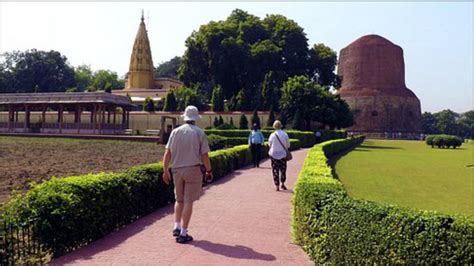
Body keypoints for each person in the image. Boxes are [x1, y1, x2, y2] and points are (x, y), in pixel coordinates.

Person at [163, 105, 213, 244]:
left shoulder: (175, 132)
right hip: (192, 169)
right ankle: (184, 233)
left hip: (177, 169)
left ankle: (177, 226)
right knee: (188, 201)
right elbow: (204, 155)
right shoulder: (199, 133)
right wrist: (209, 171)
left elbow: (167, 153)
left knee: (179, 200)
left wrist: (165, 170)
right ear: (196, 118)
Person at [268, 120, 290, 191]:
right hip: (283, 154)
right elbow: (288, 145)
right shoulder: (285, 134)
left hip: (274, 154)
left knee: (275, 170)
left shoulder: (272, 135)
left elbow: (269, 144)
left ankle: (277, 185)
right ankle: (283, 183)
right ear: (281, 126)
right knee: (283, 170)